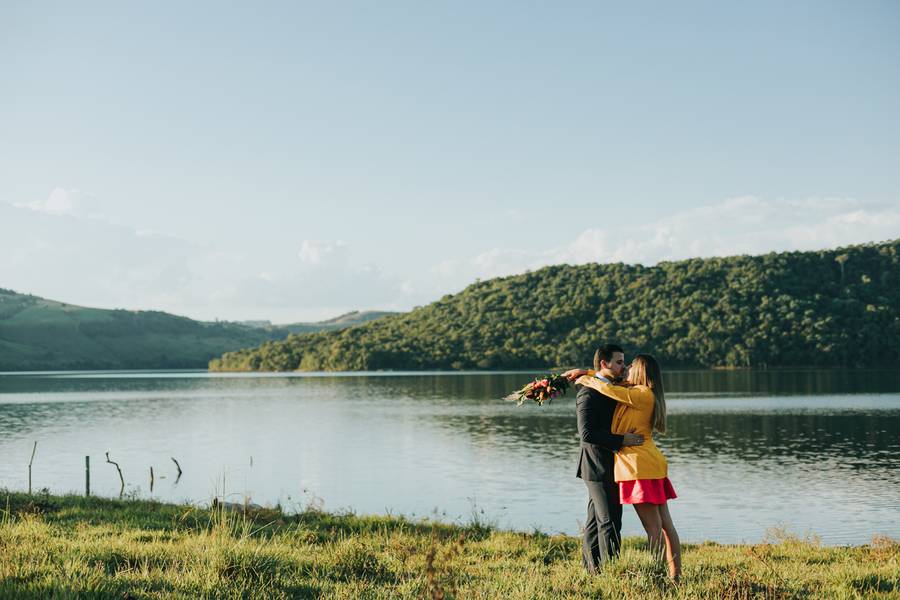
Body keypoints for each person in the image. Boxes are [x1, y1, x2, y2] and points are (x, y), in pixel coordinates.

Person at [575, 354, 682, 581]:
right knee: (665, 525)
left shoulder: (640, 394)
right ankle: (675, 575)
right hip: (651, 463)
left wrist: (584, 376)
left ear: (641, 371)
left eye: (630, 366)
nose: (626, 369)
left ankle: (658, 575)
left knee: (654, 527)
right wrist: (593, 373)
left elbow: (612, 391)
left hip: (638, 466)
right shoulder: (643, 392)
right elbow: (613, 384)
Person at [565, 344, 644, 573]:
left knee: (594, 521)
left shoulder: (611, 387)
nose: (623, 366)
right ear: (604, 363)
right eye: (619, 362)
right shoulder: (588, 393)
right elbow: (587, 434)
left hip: (611, 465)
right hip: (597, 466)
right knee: (610, 520)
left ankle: (592, 570)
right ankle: (613, 572)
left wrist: (585, 373)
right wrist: (622, 440)